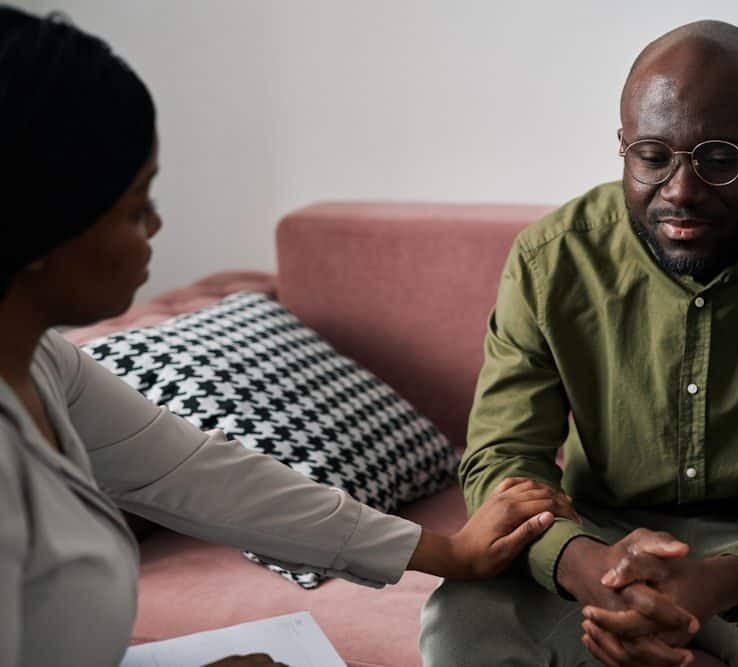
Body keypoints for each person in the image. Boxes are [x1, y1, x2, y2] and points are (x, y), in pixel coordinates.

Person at [0, 8, 574, 667]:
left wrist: (448, 551)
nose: (157, 225)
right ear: (42, 222)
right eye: (136, 204)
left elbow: (204, 475)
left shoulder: (44, 365)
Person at [420, 19, 738, 667]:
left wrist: (717, 577)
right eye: (653, 156)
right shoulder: (550, 260)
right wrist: (588, 567)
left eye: (719, 158)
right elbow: (501, 459)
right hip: (596, 534)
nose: (681, 191)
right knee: (458, 622)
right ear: (623, 148)